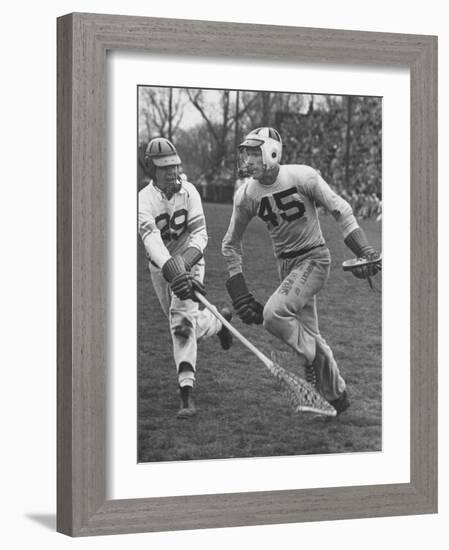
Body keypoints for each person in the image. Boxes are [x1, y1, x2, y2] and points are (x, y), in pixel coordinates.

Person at [222, 127, 380, 414]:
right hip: (286, 266)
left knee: (273, 314)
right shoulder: (246, 194)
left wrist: (363, 250)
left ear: (272, 152)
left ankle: (310, 360)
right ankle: (336, 396)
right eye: (245, 153)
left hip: (314, 259)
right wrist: (240, 292)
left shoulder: (302, 176)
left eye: (254, 153)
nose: (247, 160)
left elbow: (340, 209)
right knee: (310, 334)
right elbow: (230, 244)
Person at [138, 137, 233, 419]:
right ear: (150, 169)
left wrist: (185, 265)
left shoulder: (190, 192)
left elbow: (200, 234)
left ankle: (186, 393)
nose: (172, 172)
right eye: (165, 167)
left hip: (191, 260)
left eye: (175, 166)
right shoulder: (143, 200)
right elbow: (150, 239)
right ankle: (219, 320)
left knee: (180, 323)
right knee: (183, 321)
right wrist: (172, 269)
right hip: (161, 268)